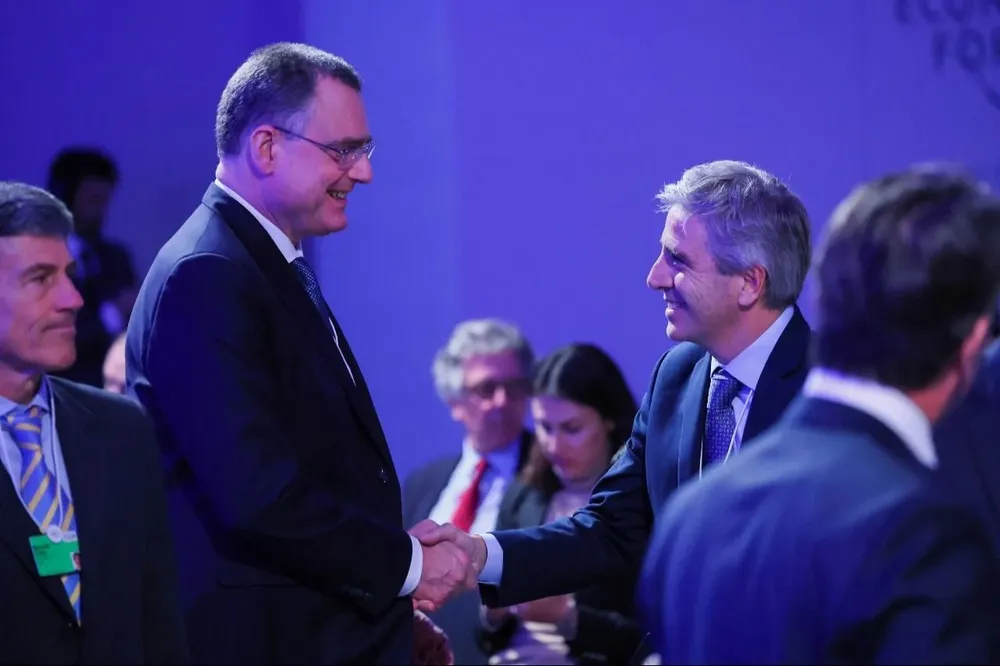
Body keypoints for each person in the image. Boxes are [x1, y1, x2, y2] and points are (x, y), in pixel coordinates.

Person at [126, 42, 468, 664]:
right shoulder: (207, 273)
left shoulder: (256, 261)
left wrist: (387, 607)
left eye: (363, 151)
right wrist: (407, 566)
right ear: (265, 147)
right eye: (343, 151)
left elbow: (312, 471)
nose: (362, 173)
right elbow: (258, 496)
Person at [416, 160, 814, 656]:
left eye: (678, 260)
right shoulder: (677, 376)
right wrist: (479, 553)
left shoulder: (827, 390)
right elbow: (610, 530)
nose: (654, 277)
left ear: (750, 283)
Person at [639, 165, 1000, 663]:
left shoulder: (692, 517)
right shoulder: (925, 535)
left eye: (676, 259)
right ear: (973, 347)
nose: (654, 277)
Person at [0, 181, 187, 663]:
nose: (73, 298)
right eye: (41, 278)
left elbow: (158, 618)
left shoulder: (122, 429)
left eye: (70, 274)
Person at [479, 343, 644, 665]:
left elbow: (649, 638)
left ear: (608, 420)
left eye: (571, 428)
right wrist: (493, 616)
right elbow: (485, 640)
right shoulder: (524, 495)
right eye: (544, 427)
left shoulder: (637, 506)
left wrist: (569, 618)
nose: (554, 445)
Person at [403, 318, 536, 665]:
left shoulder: (549, 475)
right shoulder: (421, 484)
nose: (502, 402)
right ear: (454, 401)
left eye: (514, 387)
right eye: (486, 389)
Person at [46, 148, 136, 388]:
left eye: (105, 201)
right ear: (64, 196)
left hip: (112, 396)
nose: (100, 212)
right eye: (93, 200)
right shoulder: (39, 261)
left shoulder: (116, 257)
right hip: (59, 392)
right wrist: (112, 315)